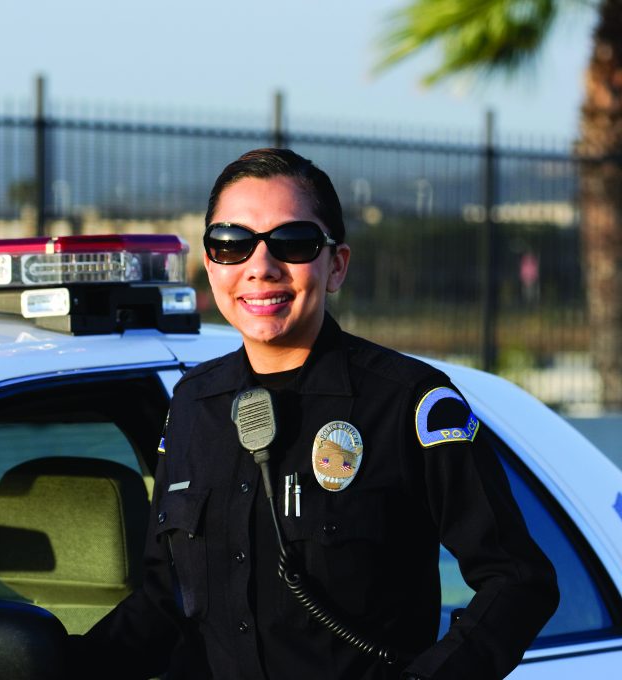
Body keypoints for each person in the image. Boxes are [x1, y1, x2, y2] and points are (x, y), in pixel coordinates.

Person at [74, 148, 559, 679]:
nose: (260, 268)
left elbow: (519, 581)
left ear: (337, 266)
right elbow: (165, 602)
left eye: (293, 242)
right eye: (232, 244)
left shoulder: (407, 403)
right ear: (211, 265)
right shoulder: (193, 404)